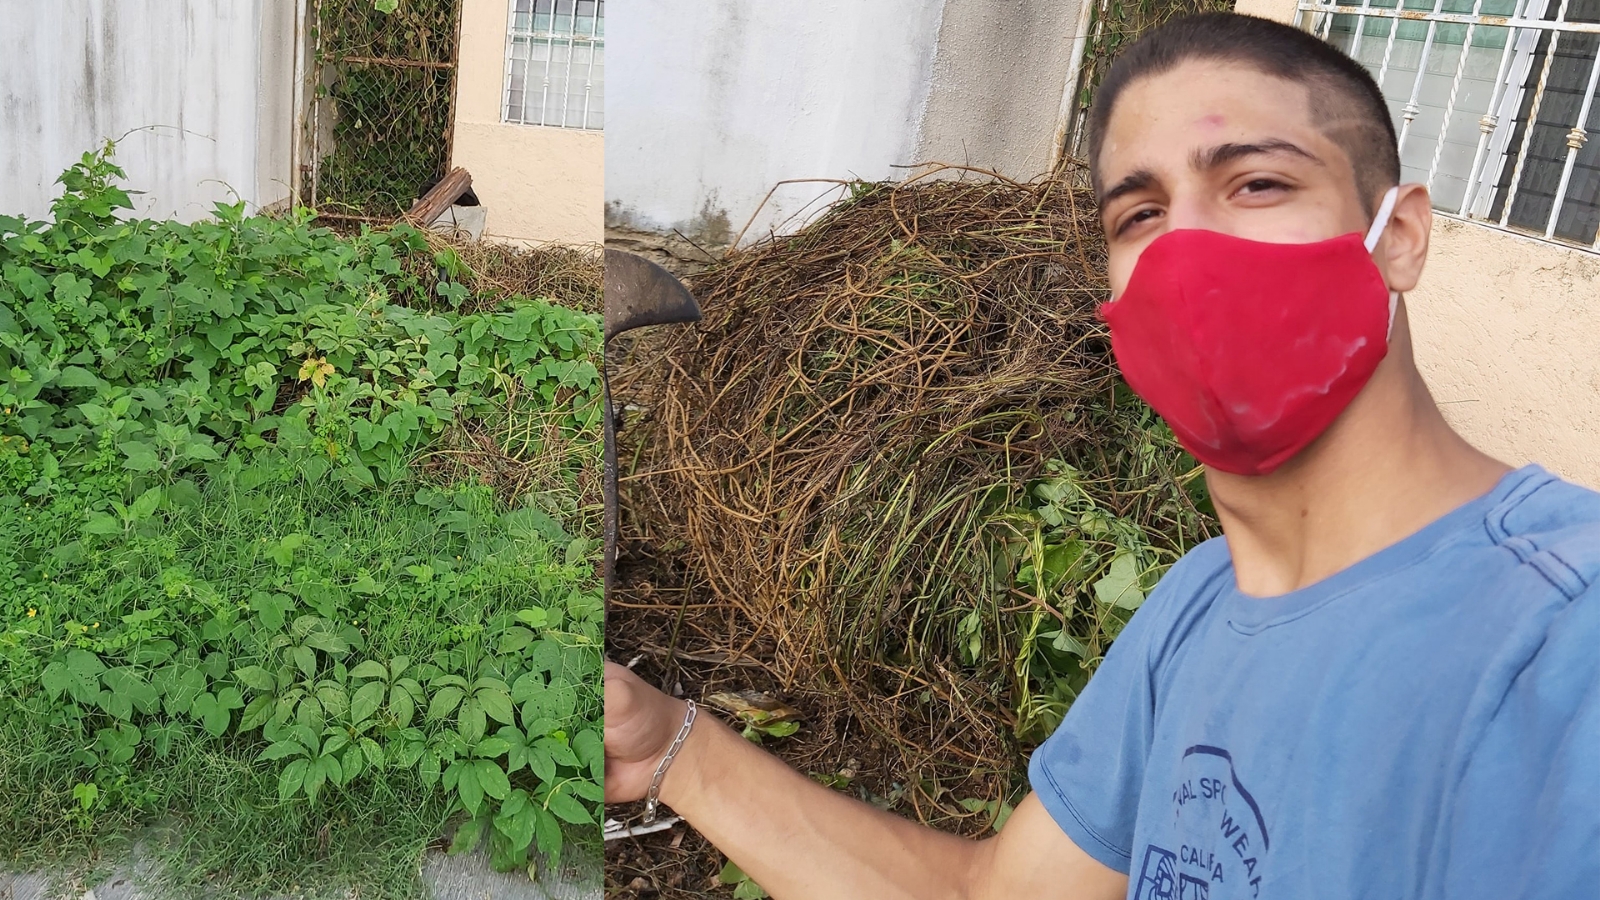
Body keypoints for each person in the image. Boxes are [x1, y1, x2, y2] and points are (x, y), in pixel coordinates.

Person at [604, 12, 1600, 899]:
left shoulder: (1559, 635)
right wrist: (666, 750)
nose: (1187, 253)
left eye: (1256, 182)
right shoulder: (1194, 610)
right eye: (1139, 214)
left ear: (1400, 239)